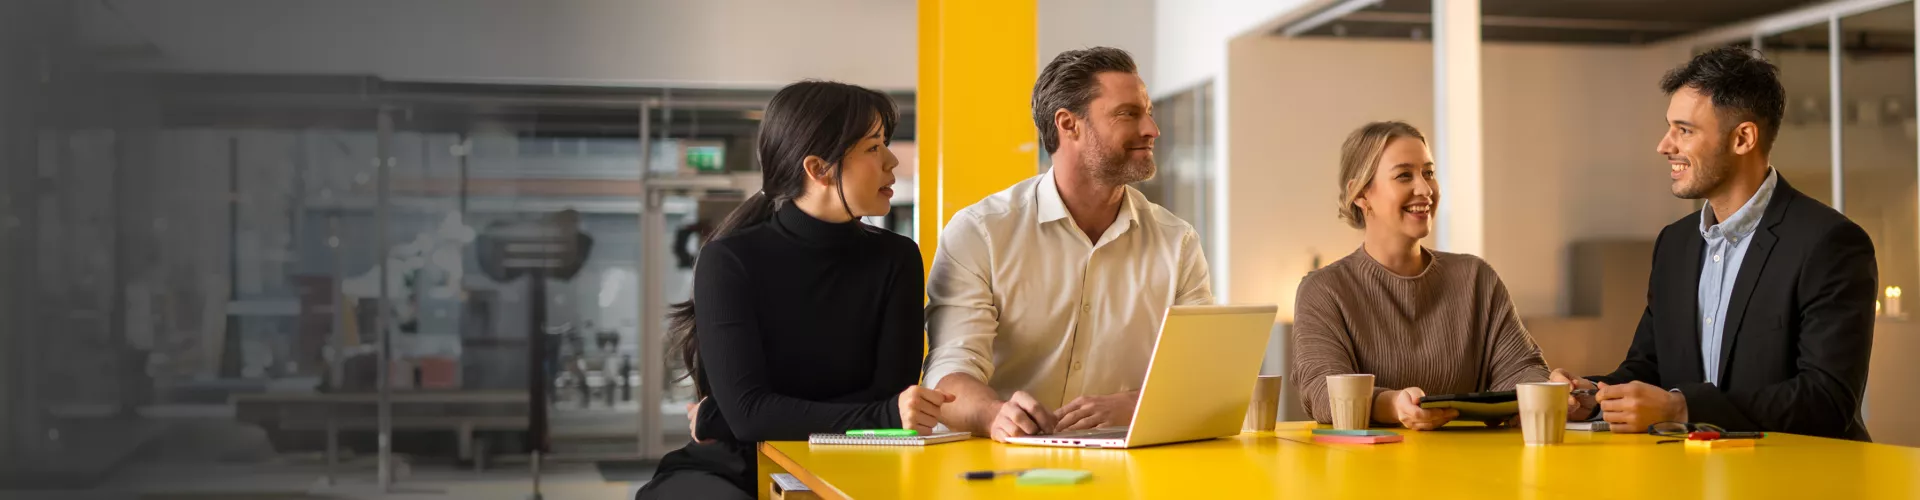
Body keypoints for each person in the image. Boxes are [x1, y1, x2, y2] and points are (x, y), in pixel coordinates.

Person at [636, 81, 948, 499]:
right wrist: (882, 413)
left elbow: (890, 393)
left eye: (886, 144)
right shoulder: (729, 260)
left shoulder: (898, 257)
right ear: (818, 169)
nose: (892, 161)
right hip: (731, 471)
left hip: (856, 464)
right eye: (873, 148)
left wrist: (722, 415)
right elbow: (751, 418)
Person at [1550, 47, 1877, 441]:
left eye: (1684, 130)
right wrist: (1595, 395)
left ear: (1743, 138)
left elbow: (1827, 401)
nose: (1664, 145)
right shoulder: (1675, 244)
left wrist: (1684, 408)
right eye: (1670, 127)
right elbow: (1648, 368)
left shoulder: (1830, 243)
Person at [923, 47, 1213, 442]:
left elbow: (1202, 374)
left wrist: (1134, 403)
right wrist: (994, 415)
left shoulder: (1177, 242)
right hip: (1003, 466)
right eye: (1128, 113)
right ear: (1068, 124)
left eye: (1149, 112)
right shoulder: (981, 233)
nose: (1151, 129)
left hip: (1132, 467)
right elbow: (949, 376)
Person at [1289, 121, 1550, 431]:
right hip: (1367, 472)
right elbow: (1323, 392)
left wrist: (1549, 390)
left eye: (1429, 173)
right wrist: (1392, 405)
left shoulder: (1476, 278)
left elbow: (1523, 370)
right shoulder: (1324, 290)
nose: (1426, 189)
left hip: (1471, 471)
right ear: (1360, 194)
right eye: (1404, 175)